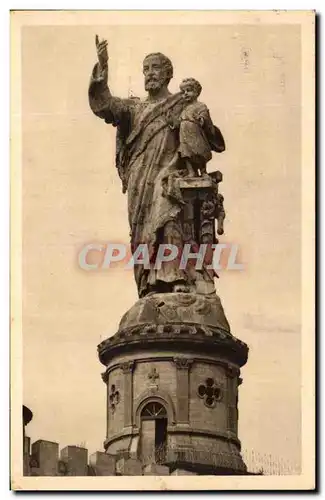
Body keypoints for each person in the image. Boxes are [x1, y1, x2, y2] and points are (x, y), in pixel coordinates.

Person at [88, 36, 225, 297]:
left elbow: (207, 139)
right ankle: (148, 284)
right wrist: (102, 69)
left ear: (168, 74)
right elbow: (104, 106)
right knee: (142, 230)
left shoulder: (182, 104)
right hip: (140, 180)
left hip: (170, 175)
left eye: (155, 68)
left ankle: (174, 277)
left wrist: (199, 118)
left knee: (168, 216)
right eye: (146, 69)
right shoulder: (133, 108)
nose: (149, 74)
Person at [178, 77, 225, 178]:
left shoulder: (200, 106)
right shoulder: (183, 108)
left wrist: (202, 119)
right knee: (186, 153)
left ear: (196, 92)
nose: (185, 93)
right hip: (184, 135)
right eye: (183, 92)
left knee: (200, 151)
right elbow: (178, 121)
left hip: (196, 133)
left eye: (188, 90)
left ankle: (203, 171)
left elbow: (205, 117)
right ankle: (191, 172)